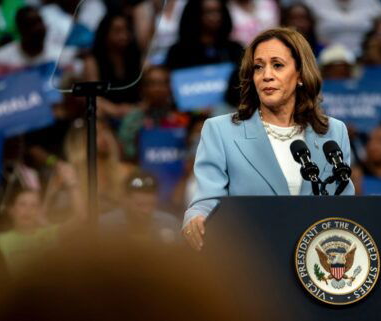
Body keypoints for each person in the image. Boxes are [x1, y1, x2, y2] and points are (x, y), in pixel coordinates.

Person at [182, 28, 355, 250]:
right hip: (251, 258)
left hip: (315, 262)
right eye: (258, 67)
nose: (267, 75)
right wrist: (196, 217)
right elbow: (207, 199)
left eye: (278, 65)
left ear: (301, 74)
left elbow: (346, 206)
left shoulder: (333, 132)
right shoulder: (220, 130)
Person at [100, 170, 181, 244]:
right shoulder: (106, 226)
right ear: (125, 200)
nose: (146, 211)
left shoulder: (169, 225)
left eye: (151, 204)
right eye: (140, 205)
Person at [164, 0, 244, 70]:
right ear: (195, 15)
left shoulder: (234, 50)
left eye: (219, 11)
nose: (216, 17)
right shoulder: (178, 53)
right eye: (209, 12)